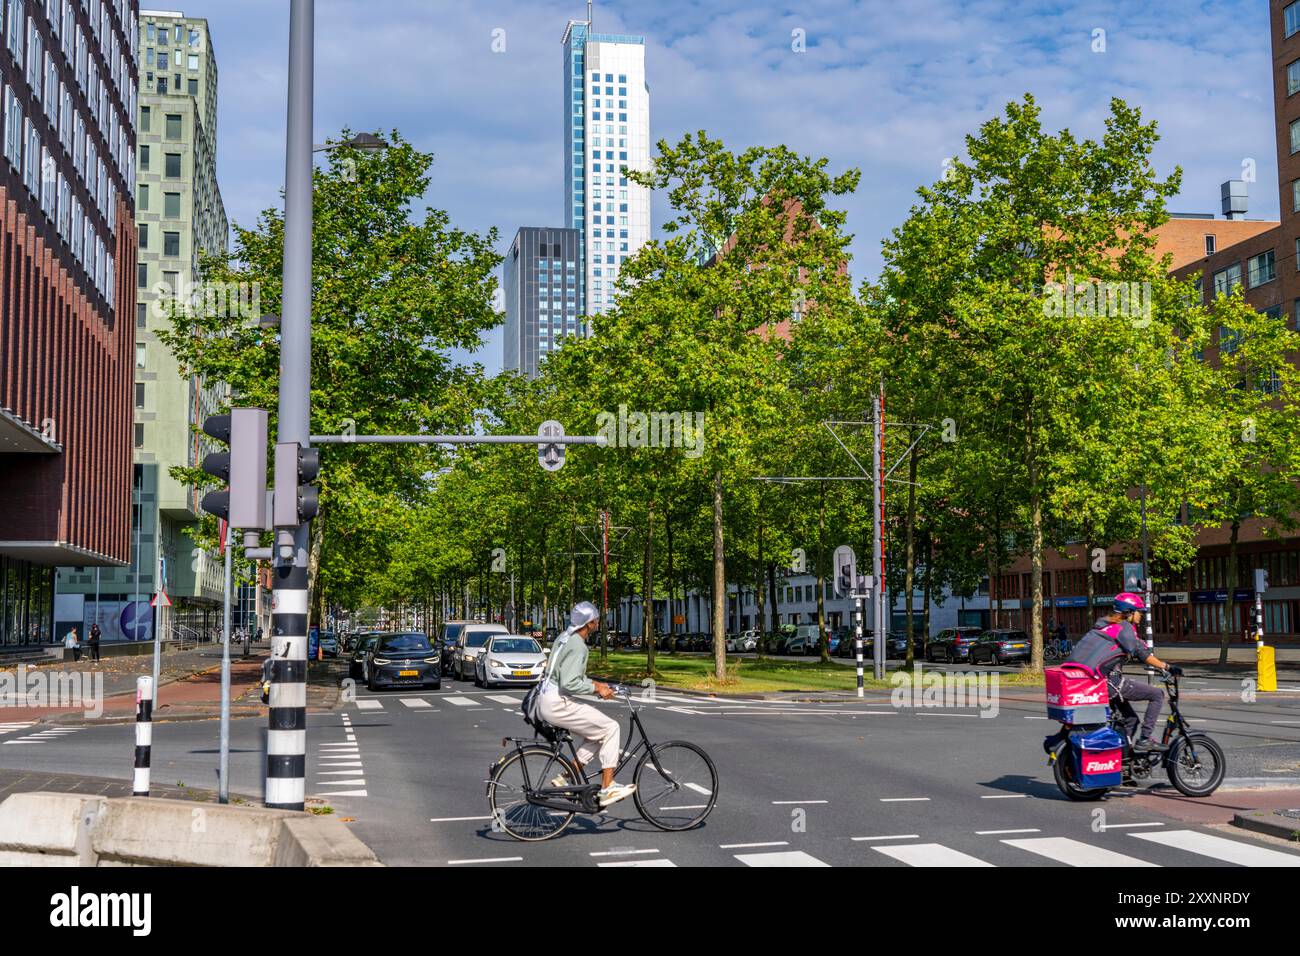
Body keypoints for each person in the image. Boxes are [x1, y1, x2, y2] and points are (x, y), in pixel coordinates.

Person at [536, 601, 636, 807]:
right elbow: (570, 682)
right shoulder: (578, 646)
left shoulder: (564, 638)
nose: (599, 622)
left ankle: (566, 776)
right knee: (611, 728)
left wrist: (598, 684)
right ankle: (608, 787)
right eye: (596, 619)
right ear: (588, 623)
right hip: (558, 702)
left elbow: (566, 675)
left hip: (548, 697)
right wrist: (597, 689)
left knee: (597, 734)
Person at [1066, 592, 1177, 752]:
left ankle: (1123, 758)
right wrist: (1167, 667)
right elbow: (1143, 655)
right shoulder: (1124, 628)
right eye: (1139, 611)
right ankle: (1145, 739)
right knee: (1157, 695)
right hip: (1111, 683)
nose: (1140, 615)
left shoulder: (1107, 625)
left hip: (1097, 682)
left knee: (1131, 719)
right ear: (1130, 613)